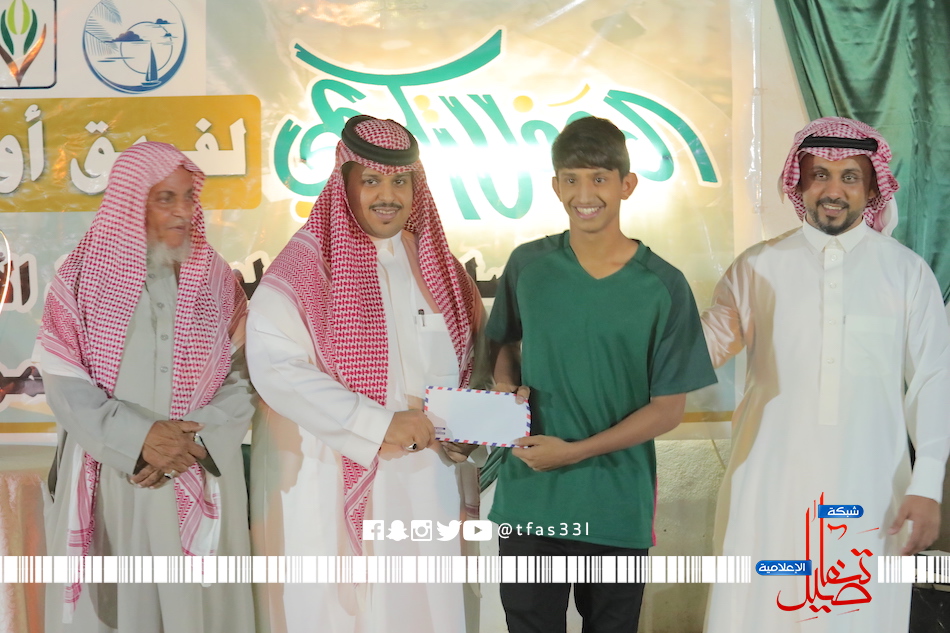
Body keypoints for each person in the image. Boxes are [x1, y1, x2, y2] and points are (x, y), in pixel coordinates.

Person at [702, 117, 950, 632]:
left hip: (871, 487)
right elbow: (695, 352)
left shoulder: (906, 273)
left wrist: (927, 483)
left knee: (858, 615)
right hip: (769, 482)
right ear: (799, 183)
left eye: (849, 177)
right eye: (820, 175)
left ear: (872, 188)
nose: (833, 190)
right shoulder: (757, 266)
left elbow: (933, 380)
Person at [247, 115, 485, 633]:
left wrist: (477, 425)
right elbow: (277, 368)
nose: (387, 196)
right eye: (372, 180)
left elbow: (473, 364)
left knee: (428, 610)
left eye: (400, 181)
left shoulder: (442, 271)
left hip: (431, 480)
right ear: (345, 183)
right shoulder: (304, 271)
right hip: (333, 476)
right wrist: (378, 423)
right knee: (346, 613)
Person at [485, 116, 717, 633]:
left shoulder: (663, 285)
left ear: (626, 185)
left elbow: (667, 410)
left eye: (598, 178)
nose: (584, 194)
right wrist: (504, 388)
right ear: (555, 186)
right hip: (531, 498)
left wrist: (573, 452)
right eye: (571, 179)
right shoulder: (528, 265)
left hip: (616, 504)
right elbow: (502, 343)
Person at [37, 142, 255, 633]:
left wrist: (193, 442)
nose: (183, 212)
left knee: (198, 613)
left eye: (188, 197)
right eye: (165, 199)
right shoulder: (80, 279)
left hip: (201, 467)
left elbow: (243, 375)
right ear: (132, 203)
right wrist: (138, 439)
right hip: (118, 476)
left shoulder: (219, 281)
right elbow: (65, 382)